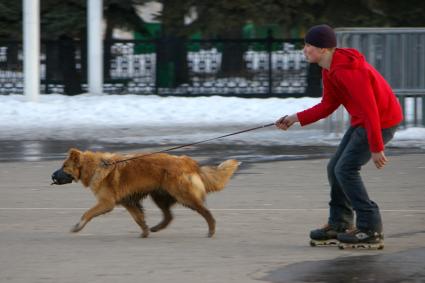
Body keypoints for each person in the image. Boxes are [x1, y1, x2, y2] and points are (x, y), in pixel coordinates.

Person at [275, 24, 403, 249]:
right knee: (335, 166)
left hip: (380, 122)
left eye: (309, 46)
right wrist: (294, 118)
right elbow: (327, 105)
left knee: (345, 169)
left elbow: (371, 109)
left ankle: (370, 228)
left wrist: (376, 147)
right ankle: (340, 223)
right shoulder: (330, 69)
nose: (304, 49)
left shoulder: (348, 70)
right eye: (305, 45)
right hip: (364, 121)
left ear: (324, 49)